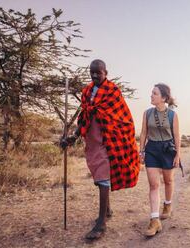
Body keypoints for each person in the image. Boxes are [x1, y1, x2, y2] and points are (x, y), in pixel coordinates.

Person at [61, 59, 140, 240]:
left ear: (106, 72)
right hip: (93, 140)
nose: (95, 75)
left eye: (99, 72)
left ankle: (101, 224)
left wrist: (115, 134)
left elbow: (122, 118)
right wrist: (73, 136)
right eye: (92, 72)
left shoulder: (112, 91)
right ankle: (108, 210)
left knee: (103, 178)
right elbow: (84, 116)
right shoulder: (87, 91)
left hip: (110, 140)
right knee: (99, 178)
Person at [139, 83, 181, 237]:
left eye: (154, 93)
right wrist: (141, 150)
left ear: (163, 98)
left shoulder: (172, 115)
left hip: (167, 150)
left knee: (168, 181)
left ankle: (168, 205)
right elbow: (143, 133)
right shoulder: (147, 113)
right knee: (154, 184)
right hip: (152, 150)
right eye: (152, 93)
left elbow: (177, 136)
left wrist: (178, 154)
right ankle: (154, 219)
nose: (151, 95)